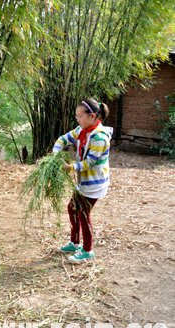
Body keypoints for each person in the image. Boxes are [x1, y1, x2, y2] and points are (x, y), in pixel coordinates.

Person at [53, 98, 113, 263]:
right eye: (76, 116)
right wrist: (56, 152)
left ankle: (88, 250)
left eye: (80, 116)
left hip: (95, 183)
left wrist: (70, 167)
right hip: (83, 183)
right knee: (72, 208)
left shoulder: (100, 137)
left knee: (83, 215)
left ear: (92, 116)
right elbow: (63, 139)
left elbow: (89, 163)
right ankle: (74, 242)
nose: (77, 119)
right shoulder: (82, 129)